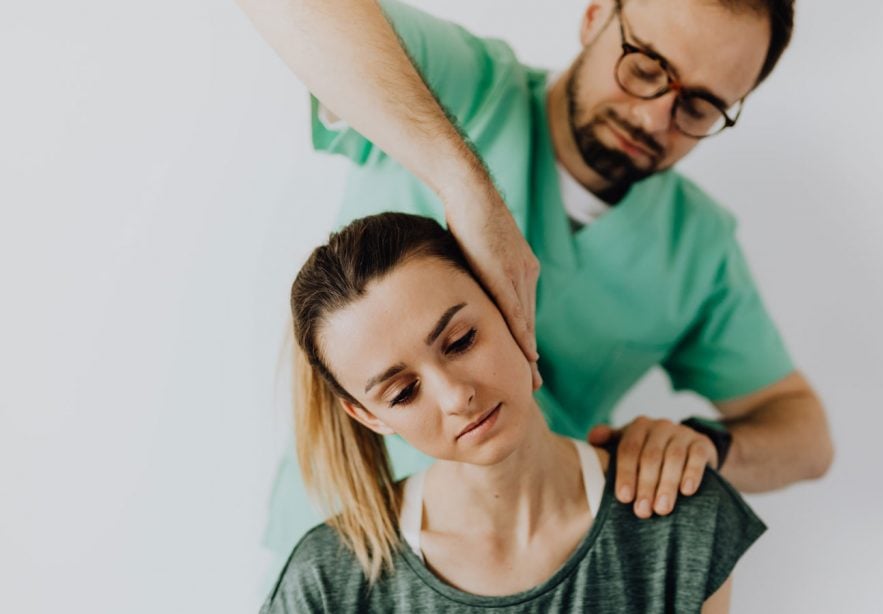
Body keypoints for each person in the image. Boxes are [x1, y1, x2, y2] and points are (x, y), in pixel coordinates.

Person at [239, 0, 834, 563]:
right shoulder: (468, 88)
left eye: (699, 107)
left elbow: (806, 437)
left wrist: (707, 446)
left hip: (537, 564)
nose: (655, 117)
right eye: (647, 67)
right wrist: (463, 182)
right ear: (598, 15)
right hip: (353, 539)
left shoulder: (697, 248)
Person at [262, 212, 765, 613]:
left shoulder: (678, 521)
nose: (457, 396)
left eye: (460, 341)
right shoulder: (328, 582)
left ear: (510, 307)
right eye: (402, 393)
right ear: (370, 416)